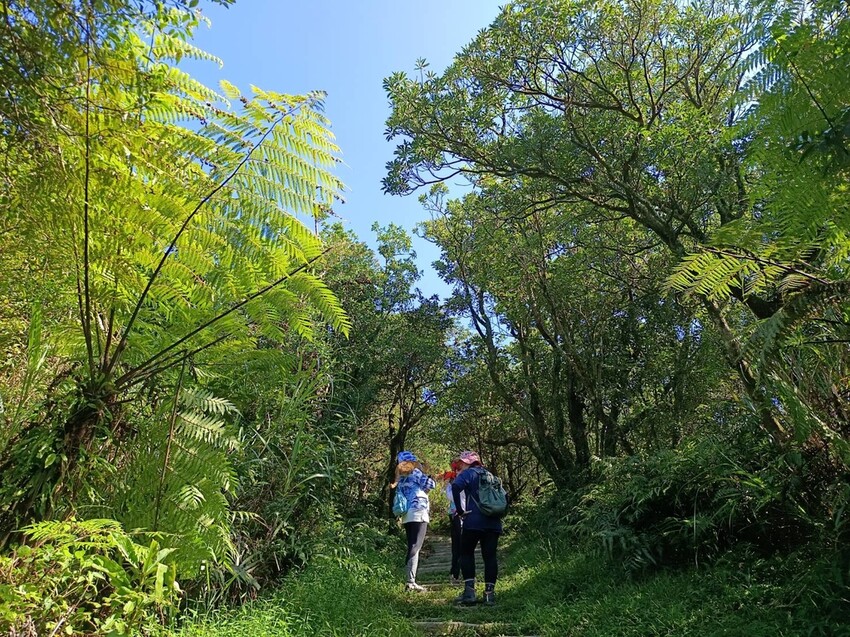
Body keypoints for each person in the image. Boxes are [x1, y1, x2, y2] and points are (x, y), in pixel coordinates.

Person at [451, 450, 502, 606]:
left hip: (473, 520)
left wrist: (459, 511)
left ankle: (469, 593)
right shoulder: (491, 475)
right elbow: (504, 496)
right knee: (490, 557)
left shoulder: (468, 474)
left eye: (461, 463)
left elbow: (455, 487)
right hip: (493, 522)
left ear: (468, 462)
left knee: (466, 553)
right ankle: (489, 595)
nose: (460, 465)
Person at [390, 450, 436, 592]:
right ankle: (410, 582)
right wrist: (427, 474)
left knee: (412, 543)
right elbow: (431, 484)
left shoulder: (401, 477)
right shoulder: (415, 473)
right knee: (416, 546)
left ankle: (410, 580)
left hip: (407, 514)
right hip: (418, 511)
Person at [439, 458, 465, 585]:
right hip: (456, 515)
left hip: (463, 514)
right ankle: (455, 574)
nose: (457, 470)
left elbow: (451, 496)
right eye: (456, 468)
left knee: (462, 546)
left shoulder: (463, 480)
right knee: (457, 546)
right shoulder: (454, 481)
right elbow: (449, 496)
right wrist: (449, 484)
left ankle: (459, 574)